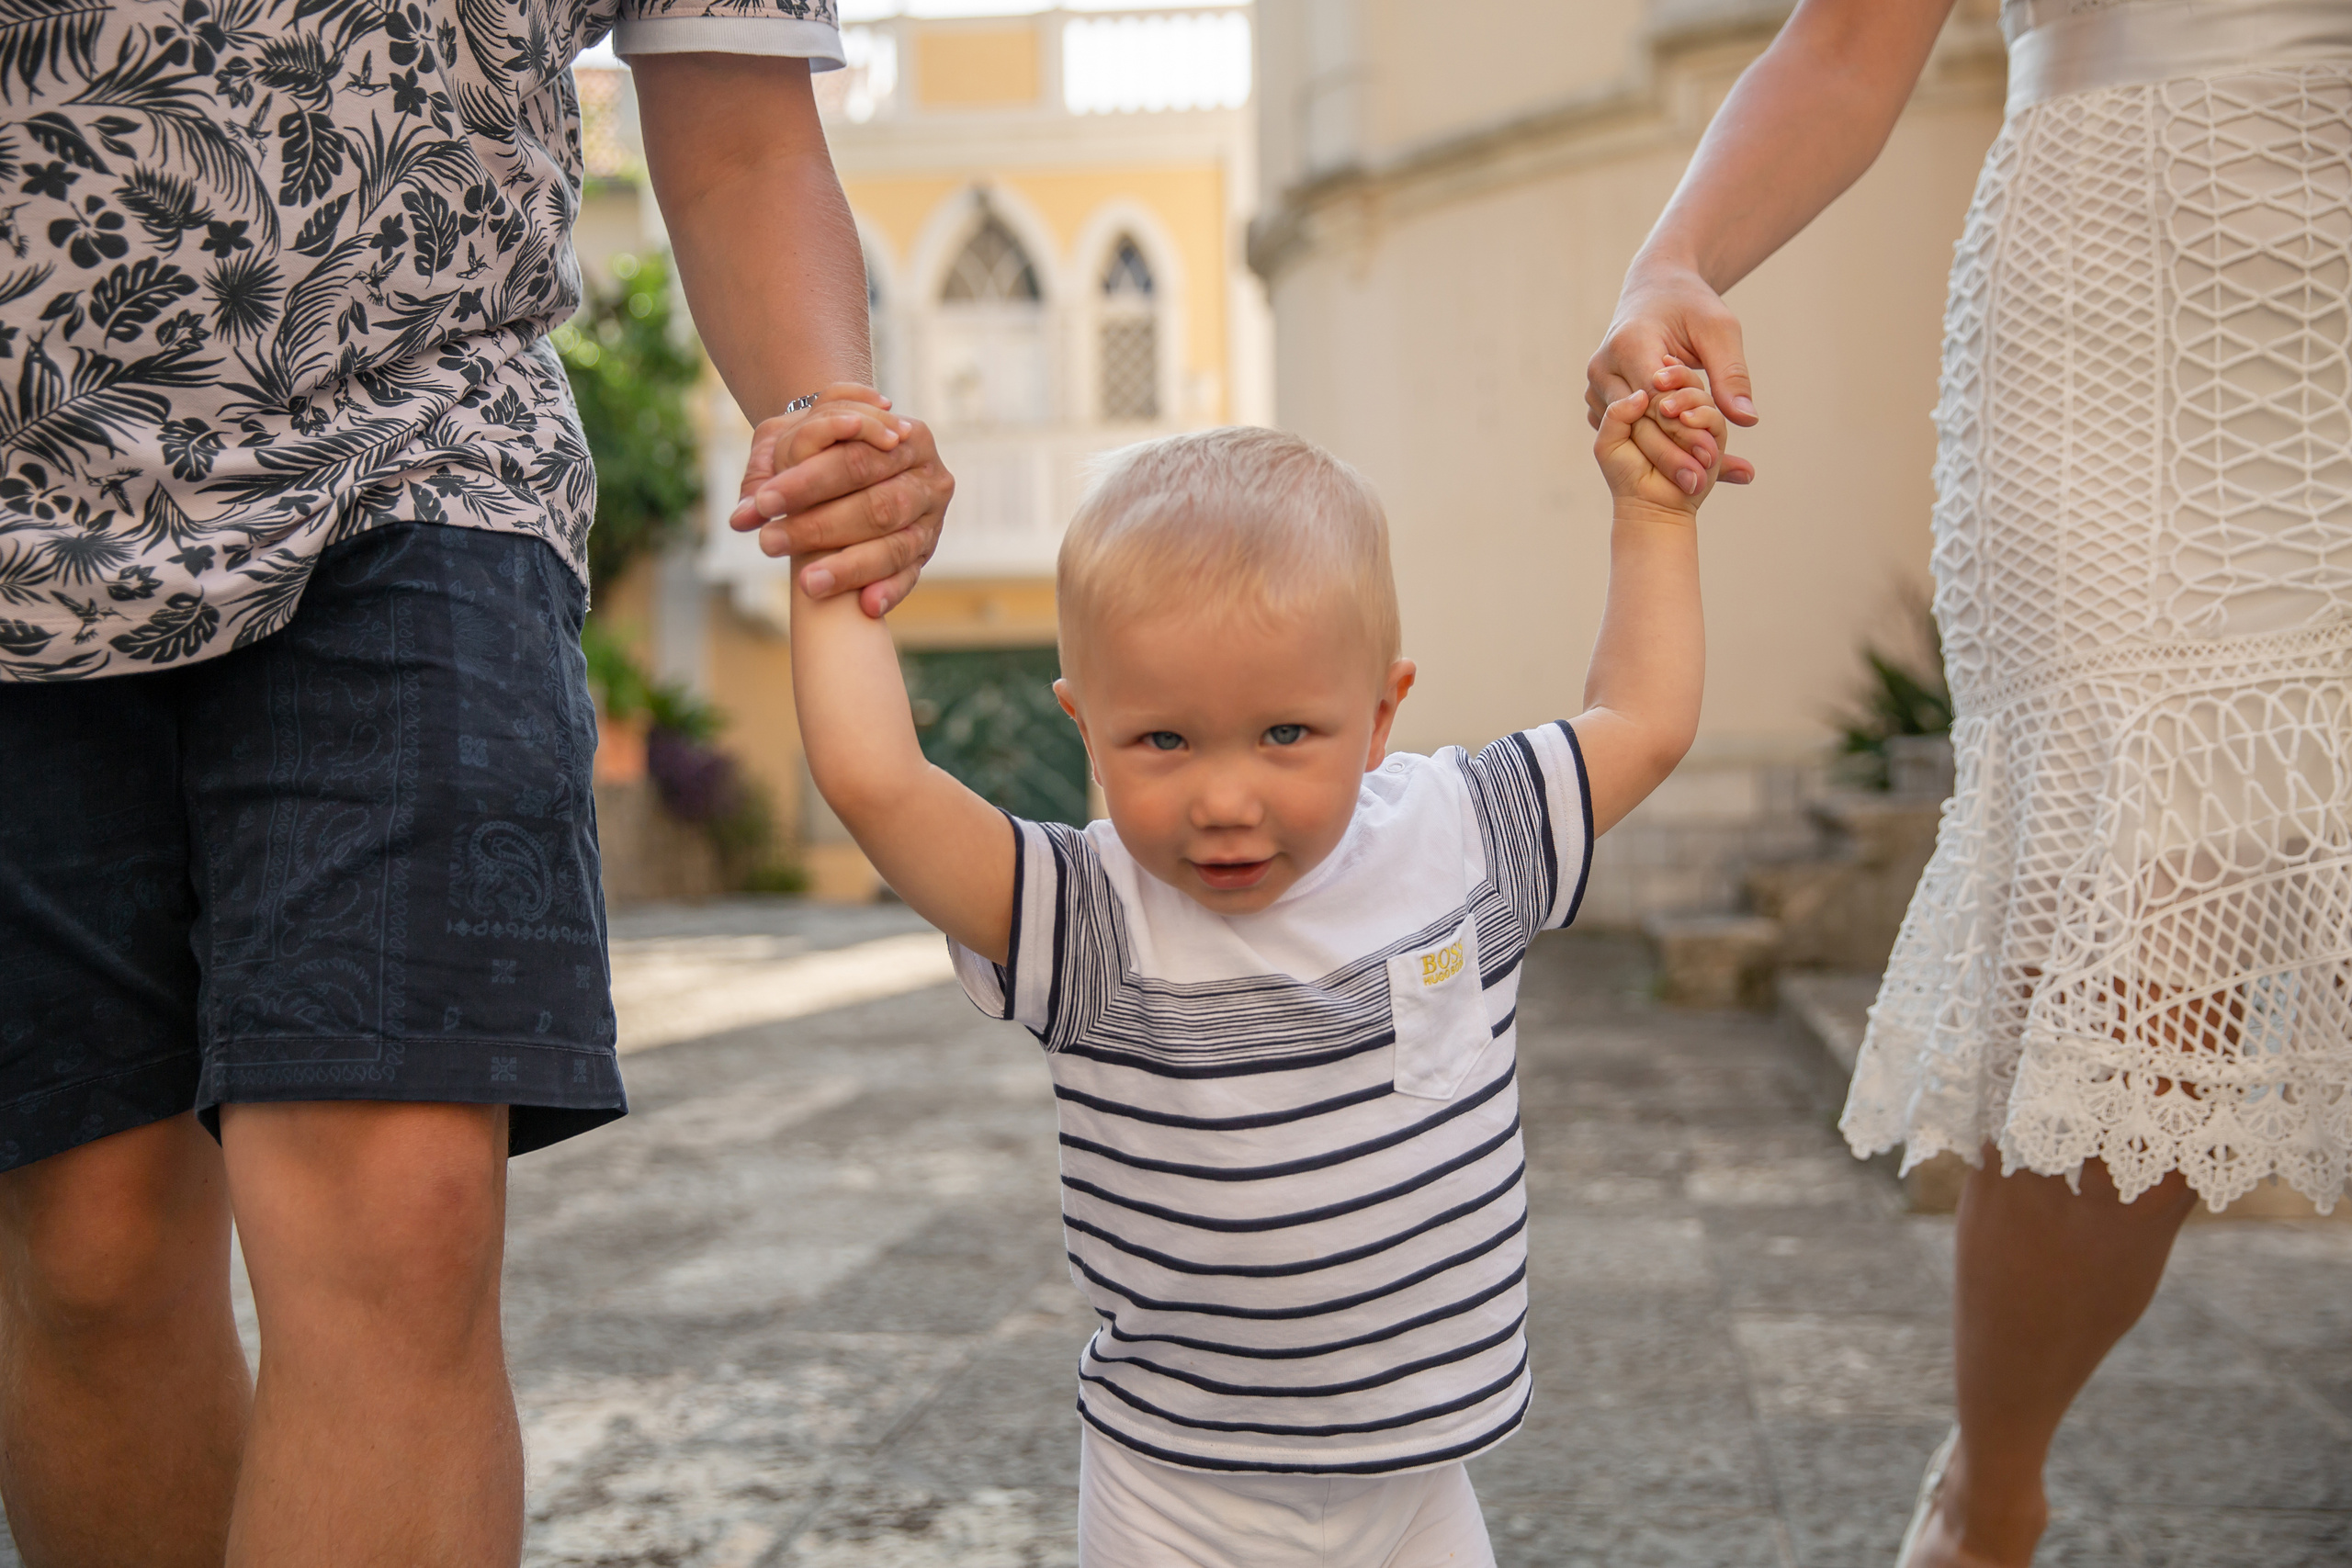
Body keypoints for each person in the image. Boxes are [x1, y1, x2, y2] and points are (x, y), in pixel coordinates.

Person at [0, 0, 951, 1558]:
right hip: (20, 518)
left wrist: (821, 423)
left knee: (401, 1212)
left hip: (422, 452)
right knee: (87, 1246)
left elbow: (739, 138)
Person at [1586, 2, 2352, 1564]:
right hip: (2120, 301)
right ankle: (1991, 1488)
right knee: (2136, 987)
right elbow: (1853, 41)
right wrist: (1675, 263)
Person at [783, 367, 1727, 1561]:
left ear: (1381, 716)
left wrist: (1655, 517)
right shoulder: (1088, 916)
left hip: (1420, 1491)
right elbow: (878, 783)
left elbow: (1644, 718)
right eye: (1162, 741)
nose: (1227, 798)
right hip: (1176, 1497)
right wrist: (834, 573)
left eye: (1287, 734)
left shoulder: (1464, 838)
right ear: (1086, 727)